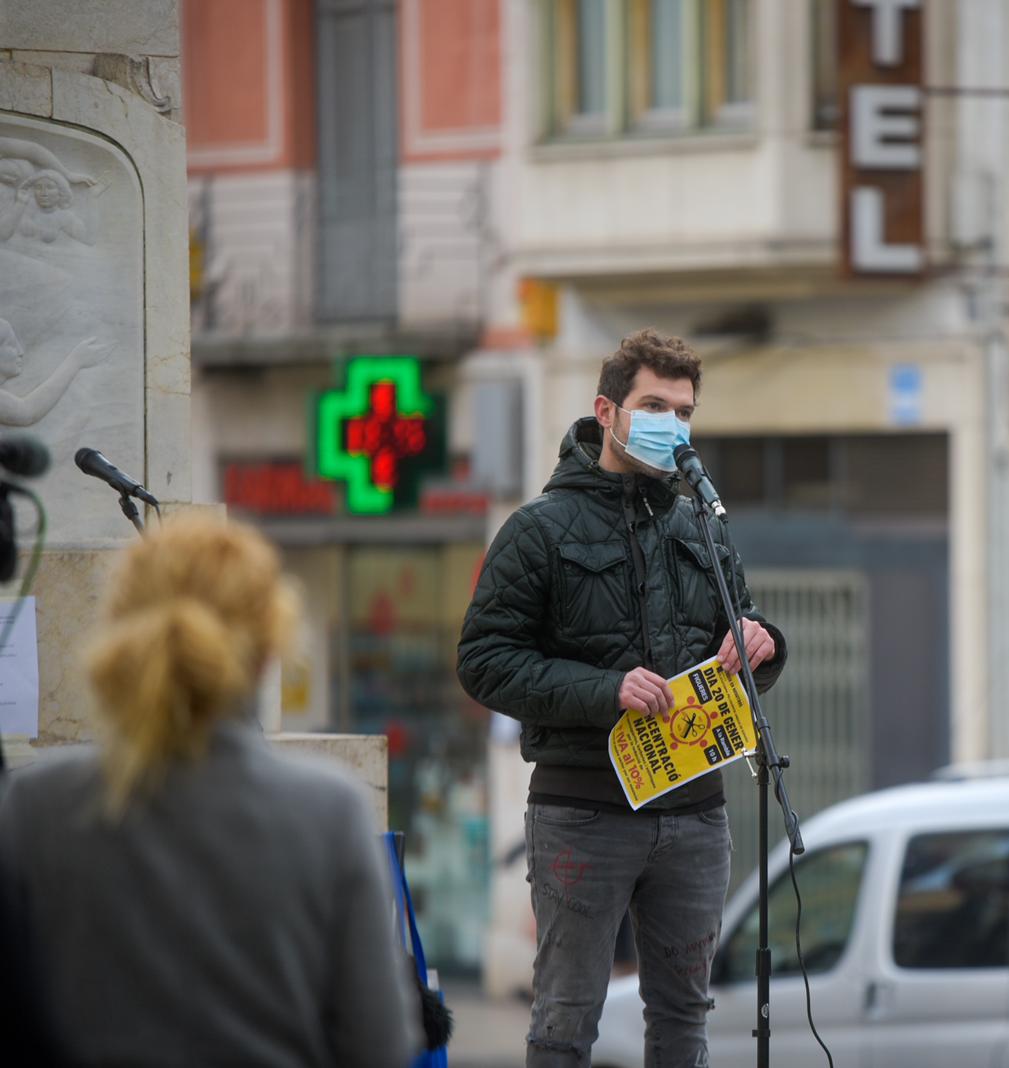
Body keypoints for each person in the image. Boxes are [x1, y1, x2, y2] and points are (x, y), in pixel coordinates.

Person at [457, 328, 786, 1067]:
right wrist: (607, 691)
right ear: (606, 411)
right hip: (584, 813)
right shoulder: (538, 531)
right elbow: (483, 662)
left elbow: (743, 635)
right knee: (566, 1018)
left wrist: (762, 643)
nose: (674, 425)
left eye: (684, 411)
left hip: (694, 810)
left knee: (684, 1017)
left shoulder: (701, 523)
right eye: (655, 406)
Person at [0, 515, 421, 1067]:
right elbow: (379, 1047)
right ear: (267, 652)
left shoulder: (36, 805)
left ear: (118, 636)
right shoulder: (329, 812)